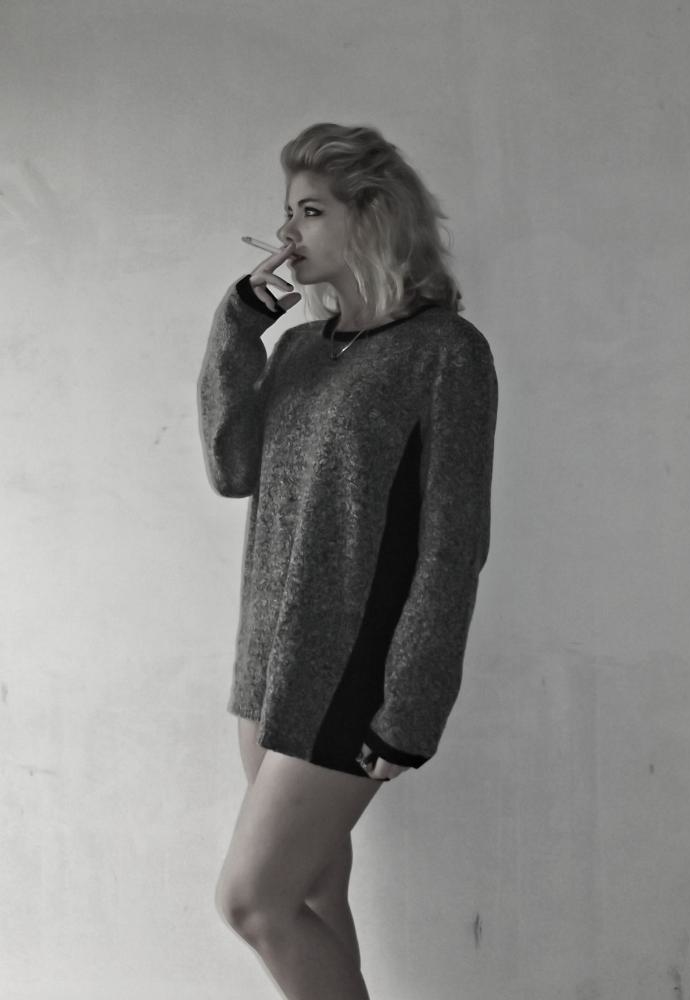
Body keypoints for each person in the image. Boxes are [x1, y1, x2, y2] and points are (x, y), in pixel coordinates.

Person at [197, 122, 498, 1000]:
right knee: (311, 892)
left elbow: (453, 543)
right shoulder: (299, 349)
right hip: (267, 667)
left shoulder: (444, 352)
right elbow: (231, 468)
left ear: (371, 215)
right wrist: (236, 329)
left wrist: (411, 706)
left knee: (253, 902)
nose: (286, 232)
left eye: (310, 211)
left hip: (351, 668)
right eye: (287, 212)